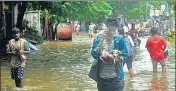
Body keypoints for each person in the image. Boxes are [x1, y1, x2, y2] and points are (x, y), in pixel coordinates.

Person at [91, 17, 128, 91]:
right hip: (102, 79)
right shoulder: (98, 39)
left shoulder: (119, 39)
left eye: (114, 30)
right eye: (110, 30)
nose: (112, 32)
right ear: (106, 27)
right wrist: (102, 40)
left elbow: (125, 55)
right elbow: (94, 55)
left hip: (117, 79)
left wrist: (115, 60)